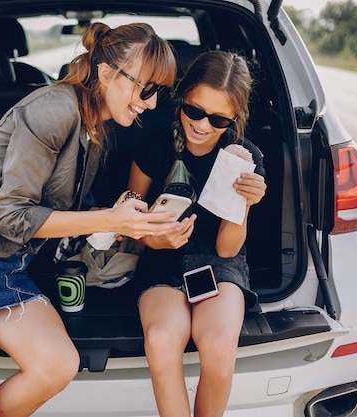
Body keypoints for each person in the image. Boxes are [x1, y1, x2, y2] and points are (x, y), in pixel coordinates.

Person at [0, 22, 179, 417]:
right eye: (147, 89)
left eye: (160, 92)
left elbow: (64, 208)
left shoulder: (94, 125)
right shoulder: (53, 108)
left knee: (58, 364)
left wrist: (118, 216)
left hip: (10, 266)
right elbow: (12, 217)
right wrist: (109, 220)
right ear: (107, 74)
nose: (152, 103)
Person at [127, 50, 267, 417]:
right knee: (161, 340)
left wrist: (245, 205)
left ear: (235, 117)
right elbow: (128, 218)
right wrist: (150, 238)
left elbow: (226, 249)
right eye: (194, 111)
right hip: (161, 258)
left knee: (220, 346)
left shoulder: (243, 157)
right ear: (182, 97)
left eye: (219, 118)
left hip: (219, 265)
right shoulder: (155, 145)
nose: (203, 125)